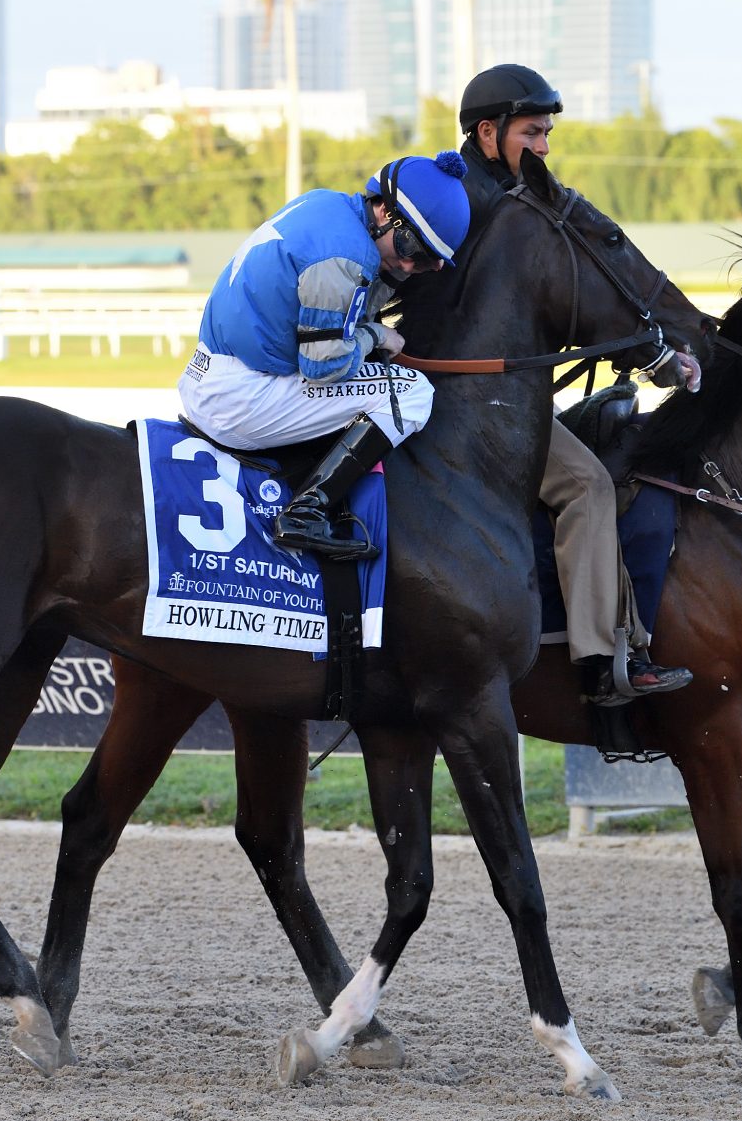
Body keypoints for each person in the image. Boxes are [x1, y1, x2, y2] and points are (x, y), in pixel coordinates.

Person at [458, 64, 692, 703]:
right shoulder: (465, 203)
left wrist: (656, 351)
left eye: (547, 133)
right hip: (466, 407)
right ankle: (603, 660)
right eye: (533, 132)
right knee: (587, 483)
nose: (544, 147)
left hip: (498, 398)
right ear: (488, 132)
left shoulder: (512, 198)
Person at [179, 151, 470, 561]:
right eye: (408, 245)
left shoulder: (326, 204)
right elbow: (325, 367)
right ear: (383, 207)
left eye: (425, 262)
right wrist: (376, 335)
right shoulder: (346, 256)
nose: (408, 263)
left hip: (210, 372)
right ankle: (305, 511)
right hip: (238, 396)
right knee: (411, 392)